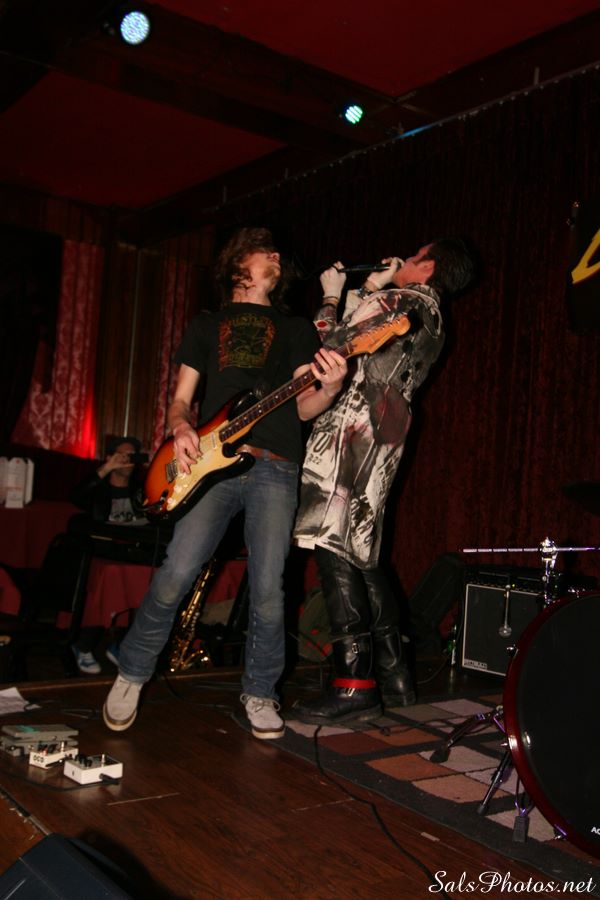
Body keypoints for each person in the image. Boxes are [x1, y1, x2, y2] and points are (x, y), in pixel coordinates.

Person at [103, 227, 347, 739]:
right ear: (237, 264)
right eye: (264, 249)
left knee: (268, 589)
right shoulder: (207, 325)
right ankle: (132, 672)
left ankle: (260, 691)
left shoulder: (296, 328)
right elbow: (180, 400)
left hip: (275, 465)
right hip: (208, 465)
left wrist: (330, 388)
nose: (276, 254)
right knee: (176, 572)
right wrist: (181, 428)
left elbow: (304, 408)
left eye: (276, 251)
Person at [293, 237, 478, 725]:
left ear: (428, 267)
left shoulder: (397, 299)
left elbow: (330, 349)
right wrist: (368, 291)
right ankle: (395, 678)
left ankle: (353, 684)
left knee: (331, 545)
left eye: (414, 256)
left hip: (351, 425)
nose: (405, 259)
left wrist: (332, 295)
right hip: (388, 430)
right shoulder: (434, 317)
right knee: (363, 553)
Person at [68, 436, 149, 675]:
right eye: (122, 455)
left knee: (155, 580)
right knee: (111, 579)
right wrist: (107, 468)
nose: (127, 460)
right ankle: (84, 644)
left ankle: (123, 645)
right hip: (104, 556)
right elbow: (75, 496)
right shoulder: (99, 490)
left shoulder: (142, 490)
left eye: (131, 456)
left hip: (136, 554)